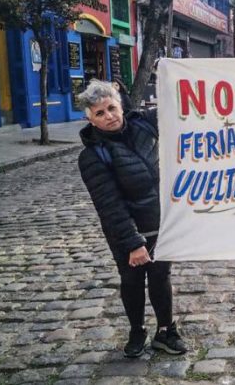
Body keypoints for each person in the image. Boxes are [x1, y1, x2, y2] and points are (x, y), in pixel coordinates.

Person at [77, 80, 188, 358]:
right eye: (99, 113)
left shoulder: (144, 124)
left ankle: (166, 331)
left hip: (159, 222)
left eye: (112, 108)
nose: (109, 116)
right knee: (132, 279)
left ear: (121, 105)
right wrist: (133, 243)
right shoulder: (92, 156)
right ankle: (137, 329)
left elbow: (180, 108)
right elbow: (109, 205)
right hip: (126, 231)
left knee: (161, 276)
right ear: (90, 119)